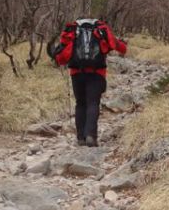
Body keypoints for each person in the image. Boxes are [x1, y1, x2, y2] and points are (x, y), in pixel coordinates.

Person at [52, 17, 127, 147]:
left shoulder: (73, 28)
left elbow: (63, 51)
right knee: (93, 103)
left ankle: (81, 137)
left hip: (76, 73)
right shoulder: (101, 28)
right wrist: (124, 46)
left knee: (80, 103)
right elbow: (115, 44)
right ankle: (91, 136)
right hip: (97, 73)